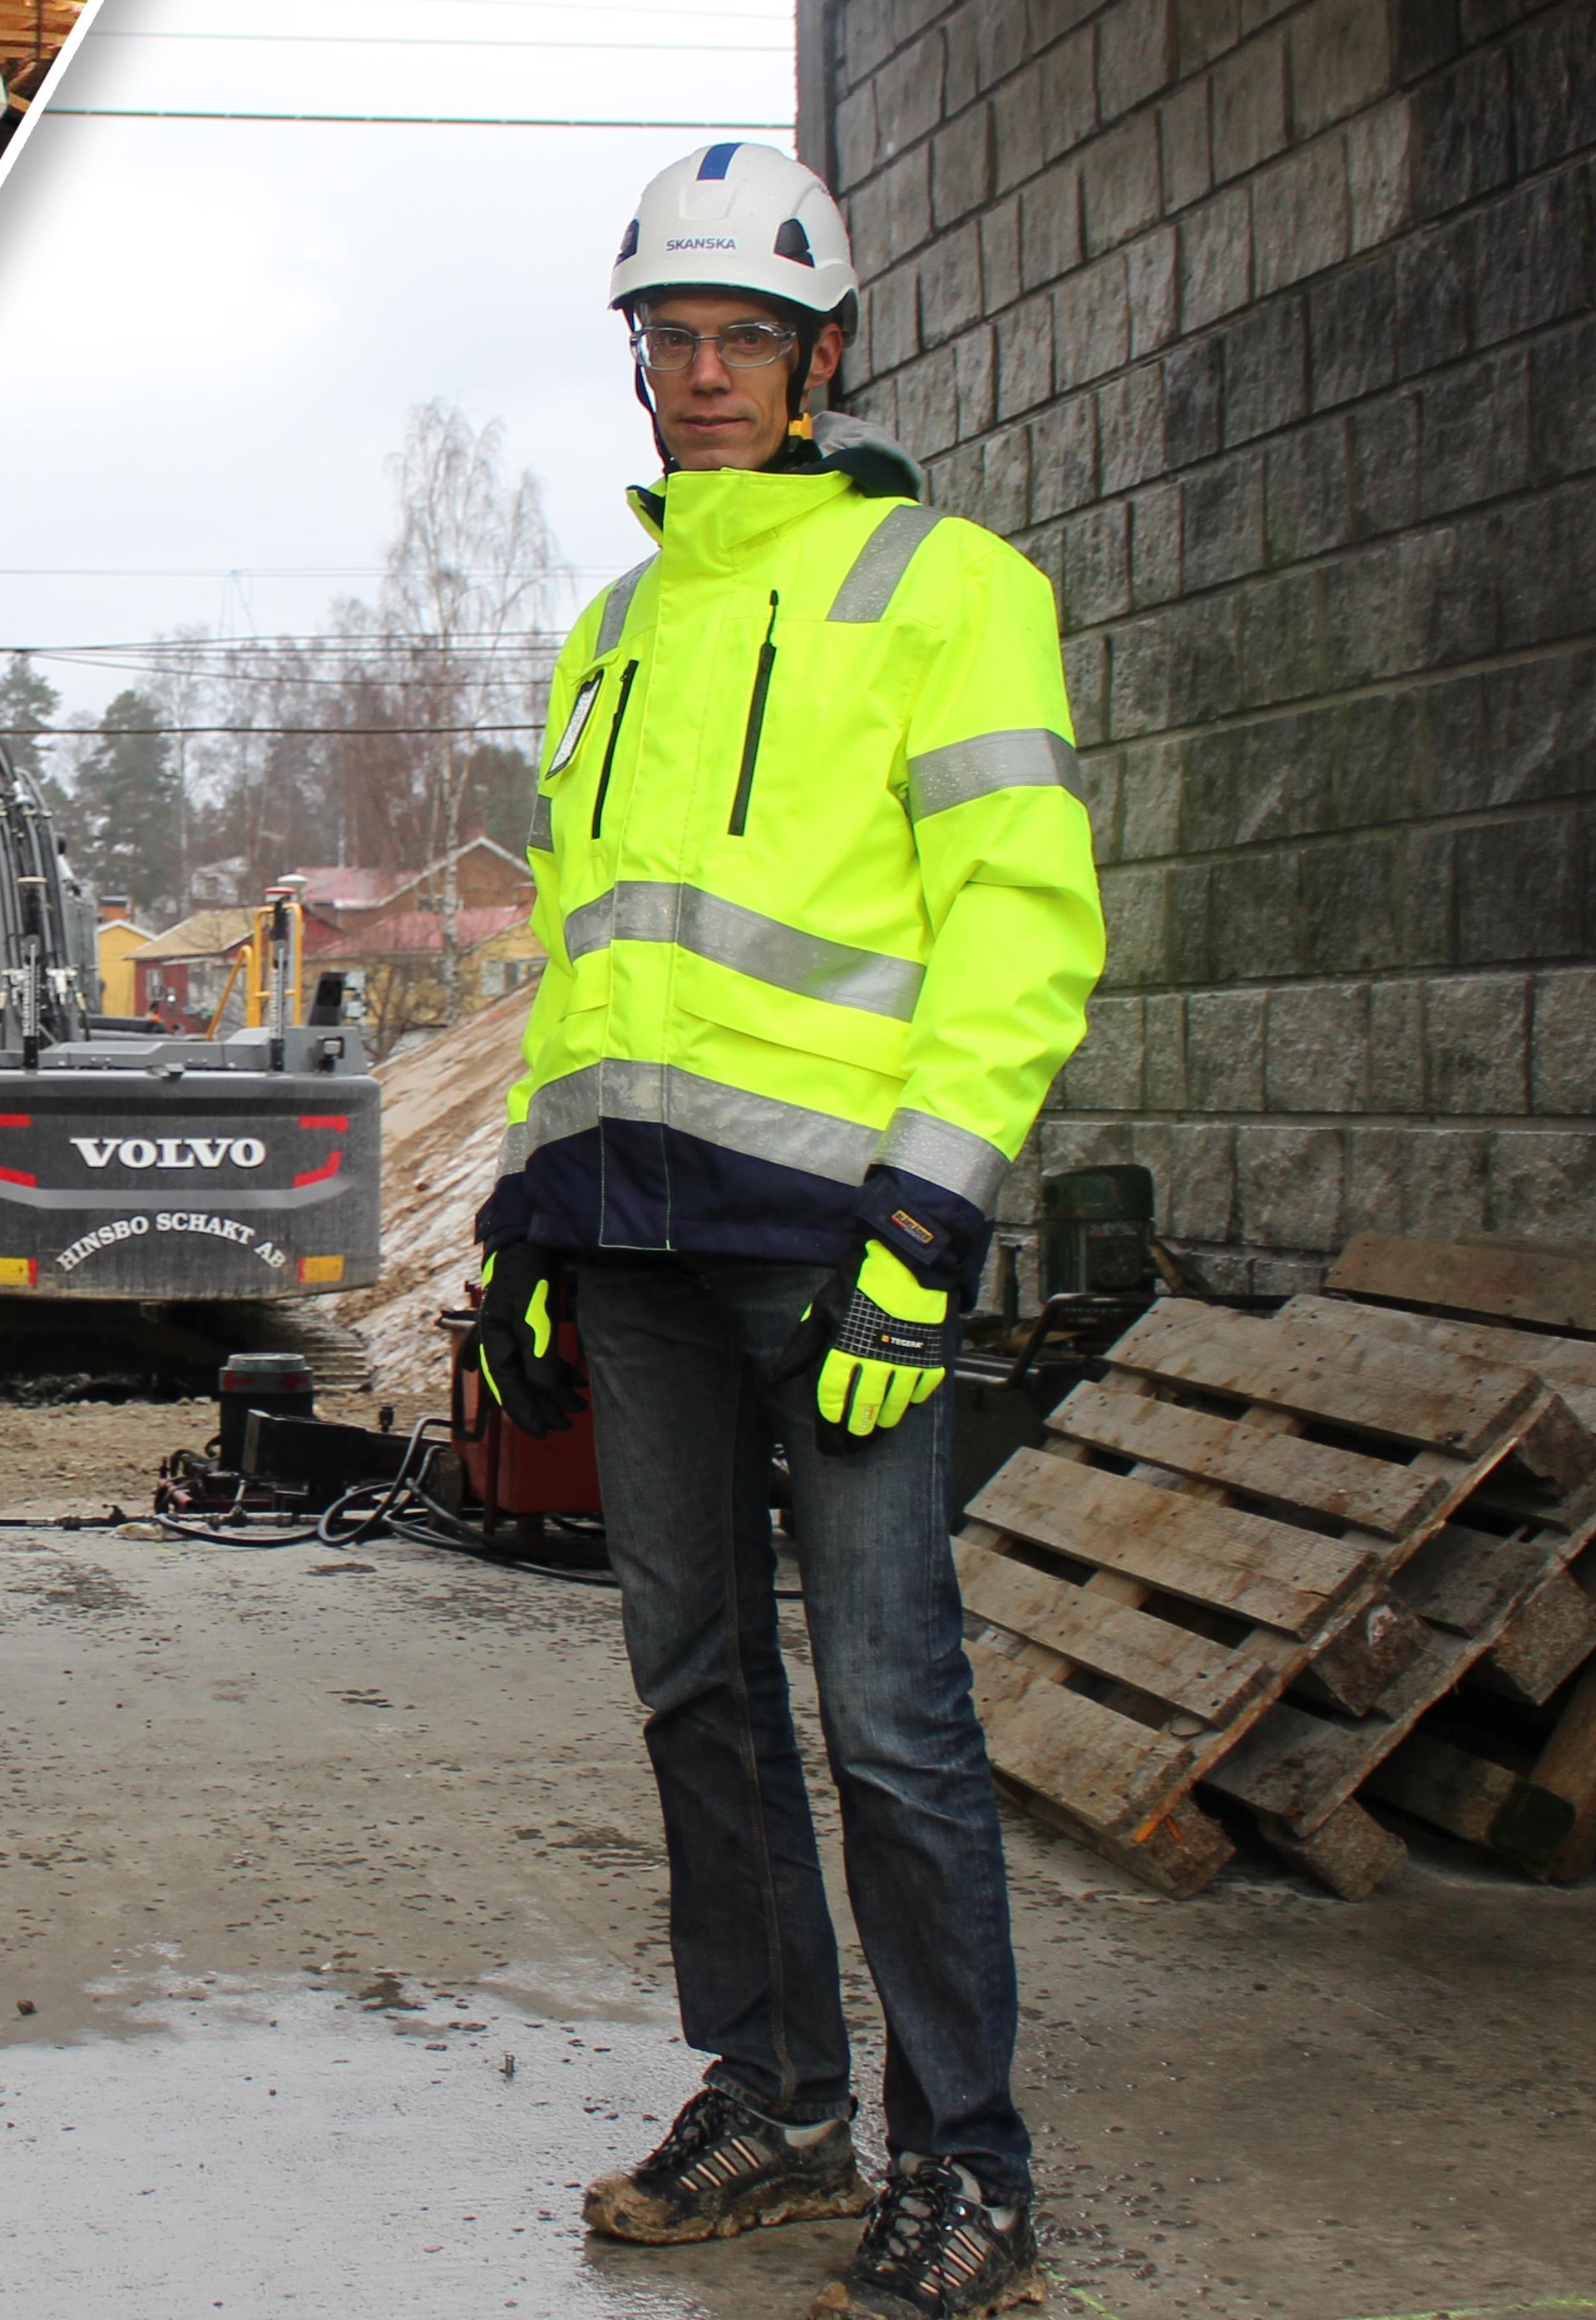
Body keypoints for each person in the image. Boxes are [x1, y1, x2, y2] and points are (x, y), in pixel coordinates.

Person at [467, 143, 1103, 2320]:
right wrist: (521, 1218)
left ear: (820, 357)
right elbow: (587, 953)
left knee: (892, 1709)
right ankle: (772, 2096)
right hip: (631, 1240)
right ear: (635, 367)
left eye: (742, 335)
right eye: (670, 337)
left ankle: (968, 2159)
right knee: (691, 1687)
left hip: (834, 1248)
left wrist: (925, 1222)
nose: (704, 372)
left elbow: (1014, 930)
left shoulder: (943, 588)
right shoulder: (610, 630)